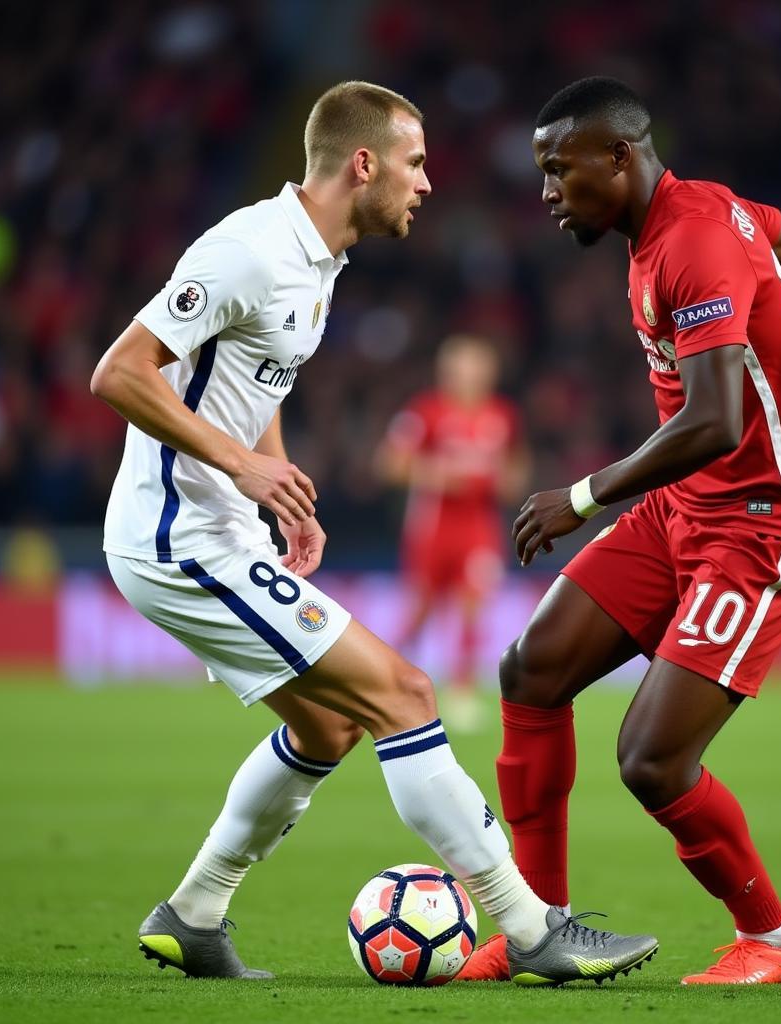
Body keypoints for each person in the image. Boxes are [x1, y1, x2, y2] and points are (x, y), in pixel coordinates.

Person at [90, 79, 658, 985]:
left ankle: (194, 913)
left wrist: (278, 490)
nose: (427, 183)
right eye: (415, 162)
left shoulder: (321, 259)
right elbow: (121, 373)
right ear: (364, 164)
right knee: (404, 691)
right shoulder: (248, 249)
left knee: (328, 729)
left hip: (222, 530)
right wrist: (241, 469)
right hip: (177, 537)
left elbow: (252, 374)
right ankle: (530, 926)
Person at [457, 77, 781, 985]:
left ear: (618, 157)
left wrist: (581, 497)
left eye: (555, 169)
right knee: (532, 669)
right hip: (687, 508)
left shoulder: (693, 240)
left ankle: (774, 942)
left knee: (652, 759)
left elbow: (715, 420)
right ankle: (541, 928)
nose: (545, 192)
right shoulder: (697, 216)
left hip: (770, 522)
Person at [376, 334, 529, 731]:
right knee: (422, 608)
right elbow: (390, 464)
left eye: (476, 367)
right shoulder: (425, 412)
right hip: (433, 525)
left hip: (479, 526)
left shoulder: (502, 414)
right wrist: (439, 474)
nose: (469, 375)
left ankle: (461, 689)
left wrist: (508, 480)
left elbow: (516, 466)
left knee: (473, 603)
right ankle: (382, 678)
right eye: (461, 367)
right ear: (446, 371)